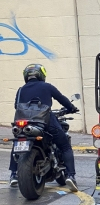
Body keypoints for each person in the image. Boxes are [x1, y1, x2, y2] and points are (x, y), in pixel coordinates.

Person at [10, 64, 79, 192]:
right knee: (65, 146)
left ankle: (13, 174)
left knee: (18, 142)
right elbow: (62, 99)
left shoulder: (20, 90)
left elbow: (16, 106)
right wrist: (71, 108)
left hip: (22, 123)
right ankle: (71, 176)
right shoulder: (47, 87)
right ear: (41, 75)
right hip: (44, 122)